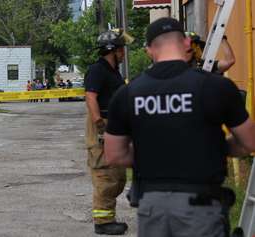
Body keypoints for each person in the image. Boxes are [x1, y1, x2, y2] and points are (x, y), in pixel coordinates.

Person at [104, 17, 255, 237]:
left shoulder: (128, 93)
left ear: (148, 50)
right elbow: (249, 142)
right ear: (186, 43)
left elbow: (114, 155)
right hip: (201, 206)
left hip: (152, 207)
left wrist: (156, 153)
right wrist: (210, 148)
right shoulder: (216, 86)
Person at [84, 28, 134, 235]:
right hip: (102, 124)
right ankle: (103, 222)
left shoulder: (112, 71)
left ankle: (107, 216)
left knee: (117, 175)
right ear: (112, 49)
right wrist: (99, 124)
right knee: (105, 174)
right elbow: (91, 96)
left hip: (113, 124)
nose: (124, 52)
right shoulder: (97, 70)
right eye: (121, 48)